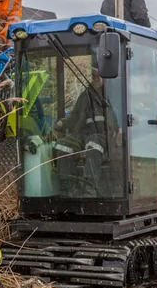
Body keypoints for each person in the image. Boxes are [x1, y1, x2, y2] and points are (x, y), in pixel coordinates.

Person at [52, 68, 124, 198]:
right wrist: (61, 123)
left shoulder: (112, 95)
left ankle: (90, 187)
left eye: (97, 75)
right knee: (62, 144)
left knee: (92, 143)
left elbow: (120, 118)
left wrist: (121, 128)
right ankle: (68, 187)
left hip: (106, 138)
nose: (94, 78)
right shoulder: (85, 96)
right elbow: (74, 117)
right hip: (83, 137)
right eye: (93, 75)